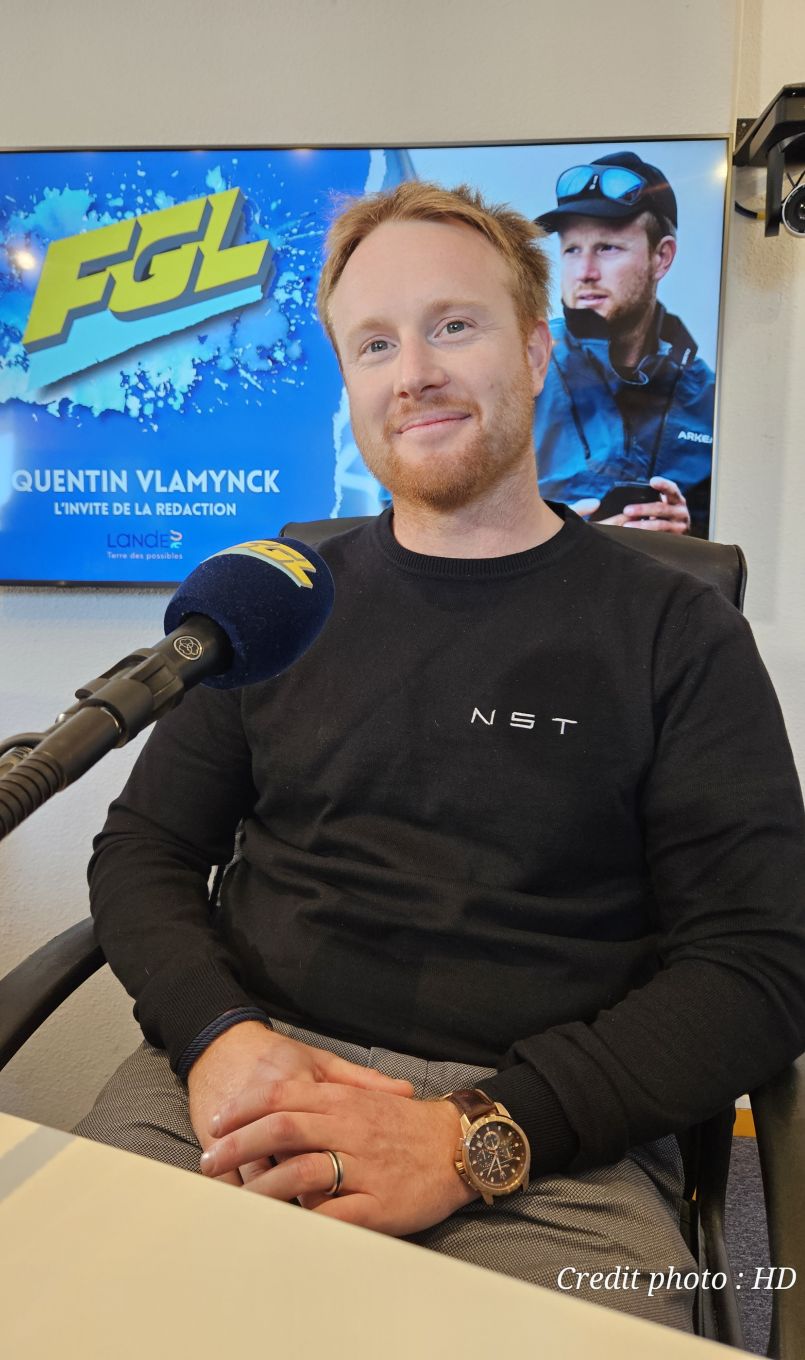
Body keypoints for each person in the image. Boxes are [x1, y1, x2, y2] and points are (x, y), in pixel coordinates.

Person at [74, 182, 805, 1334]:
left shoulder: (677, 634)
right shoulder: (273, 603)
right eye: (374, 343)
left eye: (451, 326)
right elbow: (145, 851)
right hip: (245, 1084)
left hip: (547, 1146)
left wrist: (471, 1136)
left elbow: (760, 963)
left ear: (530, 345)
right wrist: (214, 1034)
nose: (410, 370)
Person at [533, 151, 716, 536]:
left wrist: (693, 535)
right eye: (571, 250)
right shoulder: (514, 368)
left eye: (607, 248)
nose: (584, 272)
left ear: (661, 258)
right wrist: (544, 538)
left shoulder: (709, 399)